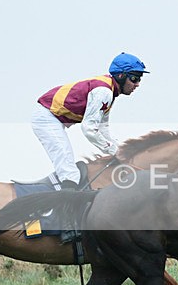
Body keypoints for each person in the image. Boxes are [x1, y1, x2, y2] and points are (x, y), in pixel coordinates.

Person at [32, 51, 148, 190]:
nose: (137, 84)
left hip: (54, 117)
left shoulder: (110, 91)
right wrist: (114, 151)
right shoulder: (104, 91)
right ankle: (65, 202)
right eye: (134, 78)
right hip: (46, 117)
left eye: (139, 79)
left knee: (69, 166)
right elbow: (89, 130)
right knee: (69, 171)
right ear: (121, 76)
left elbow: (103, 128)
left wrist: (119, 150)